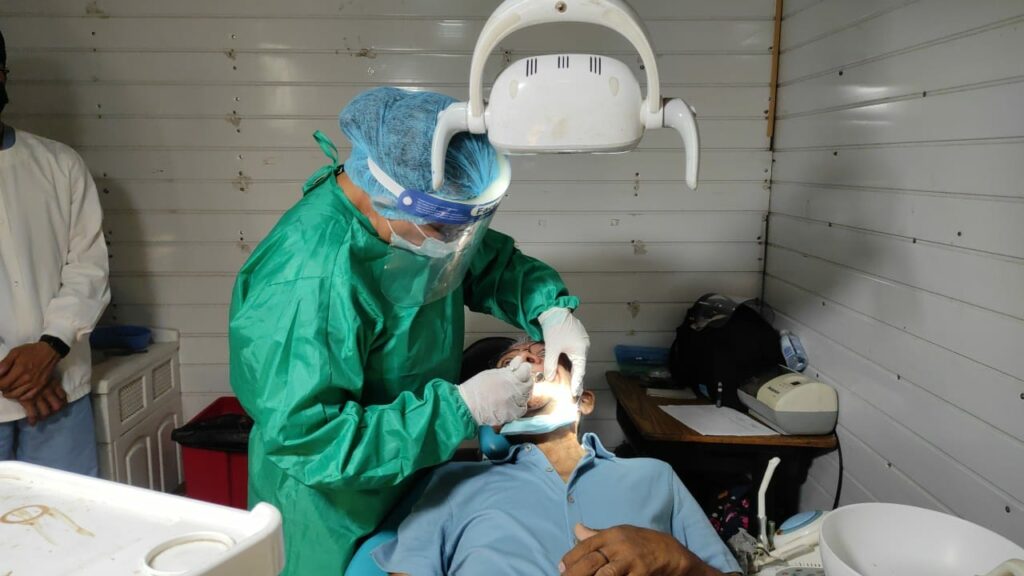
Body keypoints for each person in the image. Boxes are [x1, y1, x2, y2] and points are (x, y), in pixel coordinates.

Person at [228, 87, 591, 574]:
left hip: (414, 476)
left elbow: (482, 263)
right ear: (389, 198)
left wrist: (549, 308)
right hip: (331, 510)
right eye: (448, 231)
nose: (456, 245)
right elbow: (311, 440)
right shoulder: (307, 278)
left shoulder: (420, 227)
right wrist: (459, 410)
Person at [373, 338, 742, 576]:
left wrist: (677, 560)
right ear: (493, 417)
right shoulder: (452, 484)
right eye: (507, 364)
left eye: (543, 355)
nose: (526, 359)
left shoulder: (656, 476)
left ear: (584, 399)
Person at [0, 27, 111, 475]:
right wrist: (19, 378)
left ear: (3, 75)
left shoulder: (59, 164)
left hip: (58, 390)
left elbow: (89, 266)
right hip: (38, 388)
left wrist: (49, 348)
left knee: (72, 530)